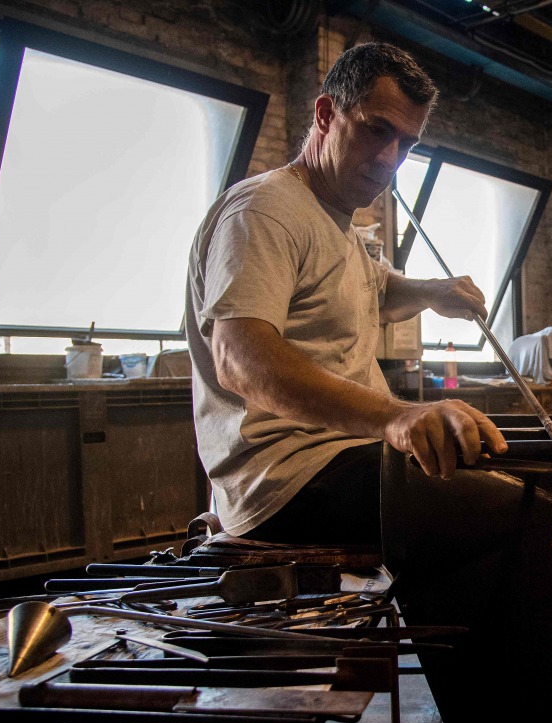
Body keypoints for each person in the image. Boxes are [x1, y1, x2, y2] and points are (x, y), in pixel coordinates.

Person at [186, 42, 508, 545]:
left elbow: (375, 291)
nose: (389, 159)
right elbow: (239, 360)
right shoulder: (266, 210)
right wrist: (397, 415)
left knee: (513, 470)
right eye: (376, 130)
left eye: (406, 145)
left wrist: (431, 291)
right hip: (287, 478)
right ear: (325, 114)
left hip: (346, 454)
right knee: (495, 511)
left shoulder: (337, 225)